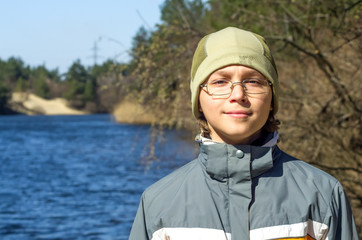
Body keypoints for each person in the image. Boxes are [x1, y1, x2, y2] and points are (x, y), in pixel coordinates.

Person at [129, 27, 359, 240]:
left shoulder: (322, 195)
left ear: (271, 98)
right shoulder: (158, 205)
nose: (238, 94)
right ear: (198, 100)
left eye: (253, 81)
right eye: (220, 81)